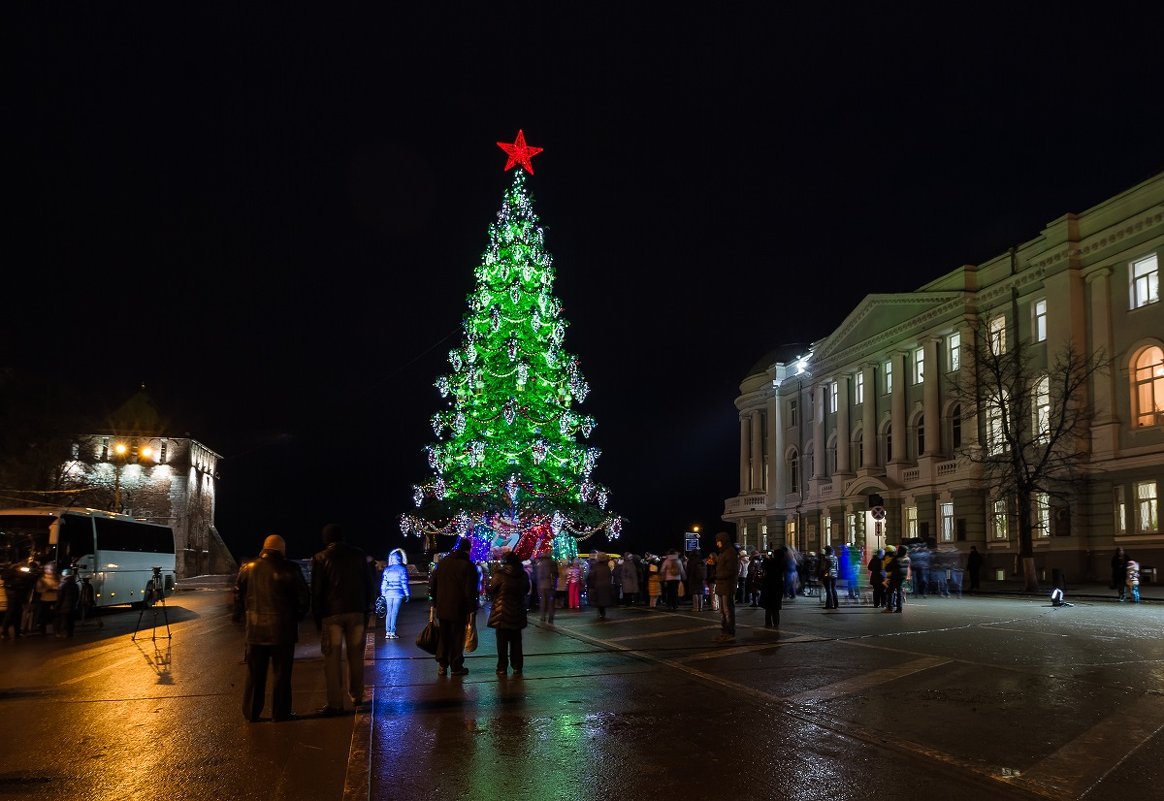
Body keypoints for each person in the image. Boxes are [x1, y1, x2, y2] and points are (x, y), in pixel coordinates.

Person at [234, 534, 310, 722]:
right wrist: (296, 617)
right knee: (282, 675)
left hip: (255, 630)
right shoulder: (291, 568)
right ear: (282, 549)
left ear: (264, 548)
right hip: (283, 630)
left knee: (255, 674)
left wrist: (244, 617)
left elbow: (239, 595)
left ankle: (252, 712)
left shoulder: (248, 568)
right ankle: (280, 712)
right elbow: (304, 598)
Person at [311, 523, 375, 714]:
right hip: (356, 612)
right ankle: (356, 695)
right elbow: (368, 583)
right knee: (356, 656)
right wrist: (367, 608)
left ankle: (335, 703)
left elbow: (317, 591)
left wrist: (317, 617)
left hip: (332, 615)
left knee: (332, 659)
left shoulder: (320, 558)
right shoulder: (358, 555)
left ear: (326, 539)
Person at [429, 537, 478, 677]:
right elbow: (470, 590)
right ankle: (456, 666)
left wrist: (434, 601)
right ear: (468, 550)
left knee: (444, 636)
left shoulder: (443, 563)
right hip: (459, 608)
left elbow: (433, 583)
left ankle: (442, 665)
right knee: (457, 637)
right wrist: (472, 609)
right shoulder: (468, 566)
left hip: (443, 607)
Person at [488, 551, 530, 675]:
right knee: (516, 642)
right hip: (517, 613)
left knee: (502, 643)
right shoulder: (523, 575)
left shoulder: (499, 574)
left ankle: (502, 667)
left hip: (501, 614)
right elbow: (526, 589)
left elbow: (490, 589)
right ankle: (517, 666)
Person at [712, 532, 739, 643]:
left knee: (728, 611)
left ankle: (730, 633)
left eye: (718, 541)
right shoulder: (723, 553)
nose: (717, 543)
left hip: (727, 586)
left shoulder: (730, 553)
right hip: (722, 585)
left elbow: (730, 571)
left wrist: (717, 575)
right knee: (723, 612)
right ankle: (724, 632)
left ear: (723, 541)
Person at [379, 548, 411, 639]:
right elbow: (404, 583)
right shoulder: (402, 569)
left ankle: (387, 632)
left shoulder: (387, 569)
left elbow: (384, 583)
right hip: (398, 593)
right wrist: (407, 594)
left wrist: (383, 593)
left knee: (389, 612)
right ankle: (392, 632)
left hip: (388, 593)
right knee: (395, 612)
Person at [761, 549, 786, 628]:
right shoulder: (782, 563)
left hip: (769, 585)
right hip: (778, 586)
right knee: (776, 607)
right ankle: (776, 623)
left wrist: (767, 558)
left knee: (768, 607)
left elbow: (764, 566)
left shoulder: (770, 562)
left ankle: (768, 623)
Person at [533, 552, 559, 623]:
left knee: (542, 602)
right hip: (550, 585)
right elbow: (556, 574)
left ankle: (542, 617)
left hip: (541, 586)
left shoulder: (539, 564)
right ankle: (550, 618)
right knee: (551, 602)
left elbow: (536, 576)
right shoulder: (553, 563)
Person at [587, 552, 615, 620]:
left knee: (599, 601)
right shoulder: (606, 567)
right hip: (606, 586)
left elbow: (591, 576)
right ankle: (602, 613)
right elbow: (610, 576)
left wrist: (590, 584)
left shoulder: (596, 566)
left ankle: (601, 613)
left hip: (598, 586)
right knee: (603, 600)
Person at [54, 568, 80, 638]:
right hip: (72, 606)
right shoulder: (75, 585)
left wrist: (57, 605)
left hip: (64, 606)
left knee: (63, 620)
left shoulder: (63, 585)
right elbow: (77, 596)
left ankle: (62, 633)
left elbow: (60, 597)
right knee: (71, 620)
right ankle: (70, 633)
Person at [885, 545, 910, 613]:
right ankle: (899, 608)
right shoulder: (908, 559)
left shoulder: (896, 559)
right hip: (902, 577)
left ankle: (889, 608)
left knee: (890, 591)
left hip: (895, 576)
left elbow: (888, 568)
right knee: (899, 592)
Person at [821, 545, 840, 609]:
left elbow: (824, 568)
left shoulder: (826, 558)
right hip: (834, 575)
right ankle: (836, 604)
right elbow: (837, 568)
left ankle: (828, 605)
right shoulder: (835, 557)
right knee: (833, 589)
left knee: (828, 590)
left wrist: (823, 574)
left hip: (828, 575)